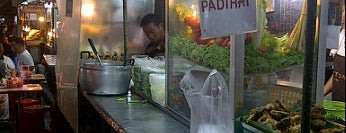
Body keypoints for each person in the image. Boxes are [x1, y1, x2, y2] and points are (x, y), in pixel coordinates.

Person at [324, 4, 345, 102]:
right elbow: (338, 75)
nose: (343, 15)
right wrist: (321, 93)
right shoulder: (342, 35)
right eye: (343, 11)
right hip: (337, 107)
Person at [0, 43, 16, 120]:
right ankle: (5, 120)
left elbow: (13, 71)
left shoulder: (6, 60)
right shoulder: (3, 62)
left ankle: (5, 119)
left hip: (4, 85)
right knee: (5, 96)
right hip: (3, 88)